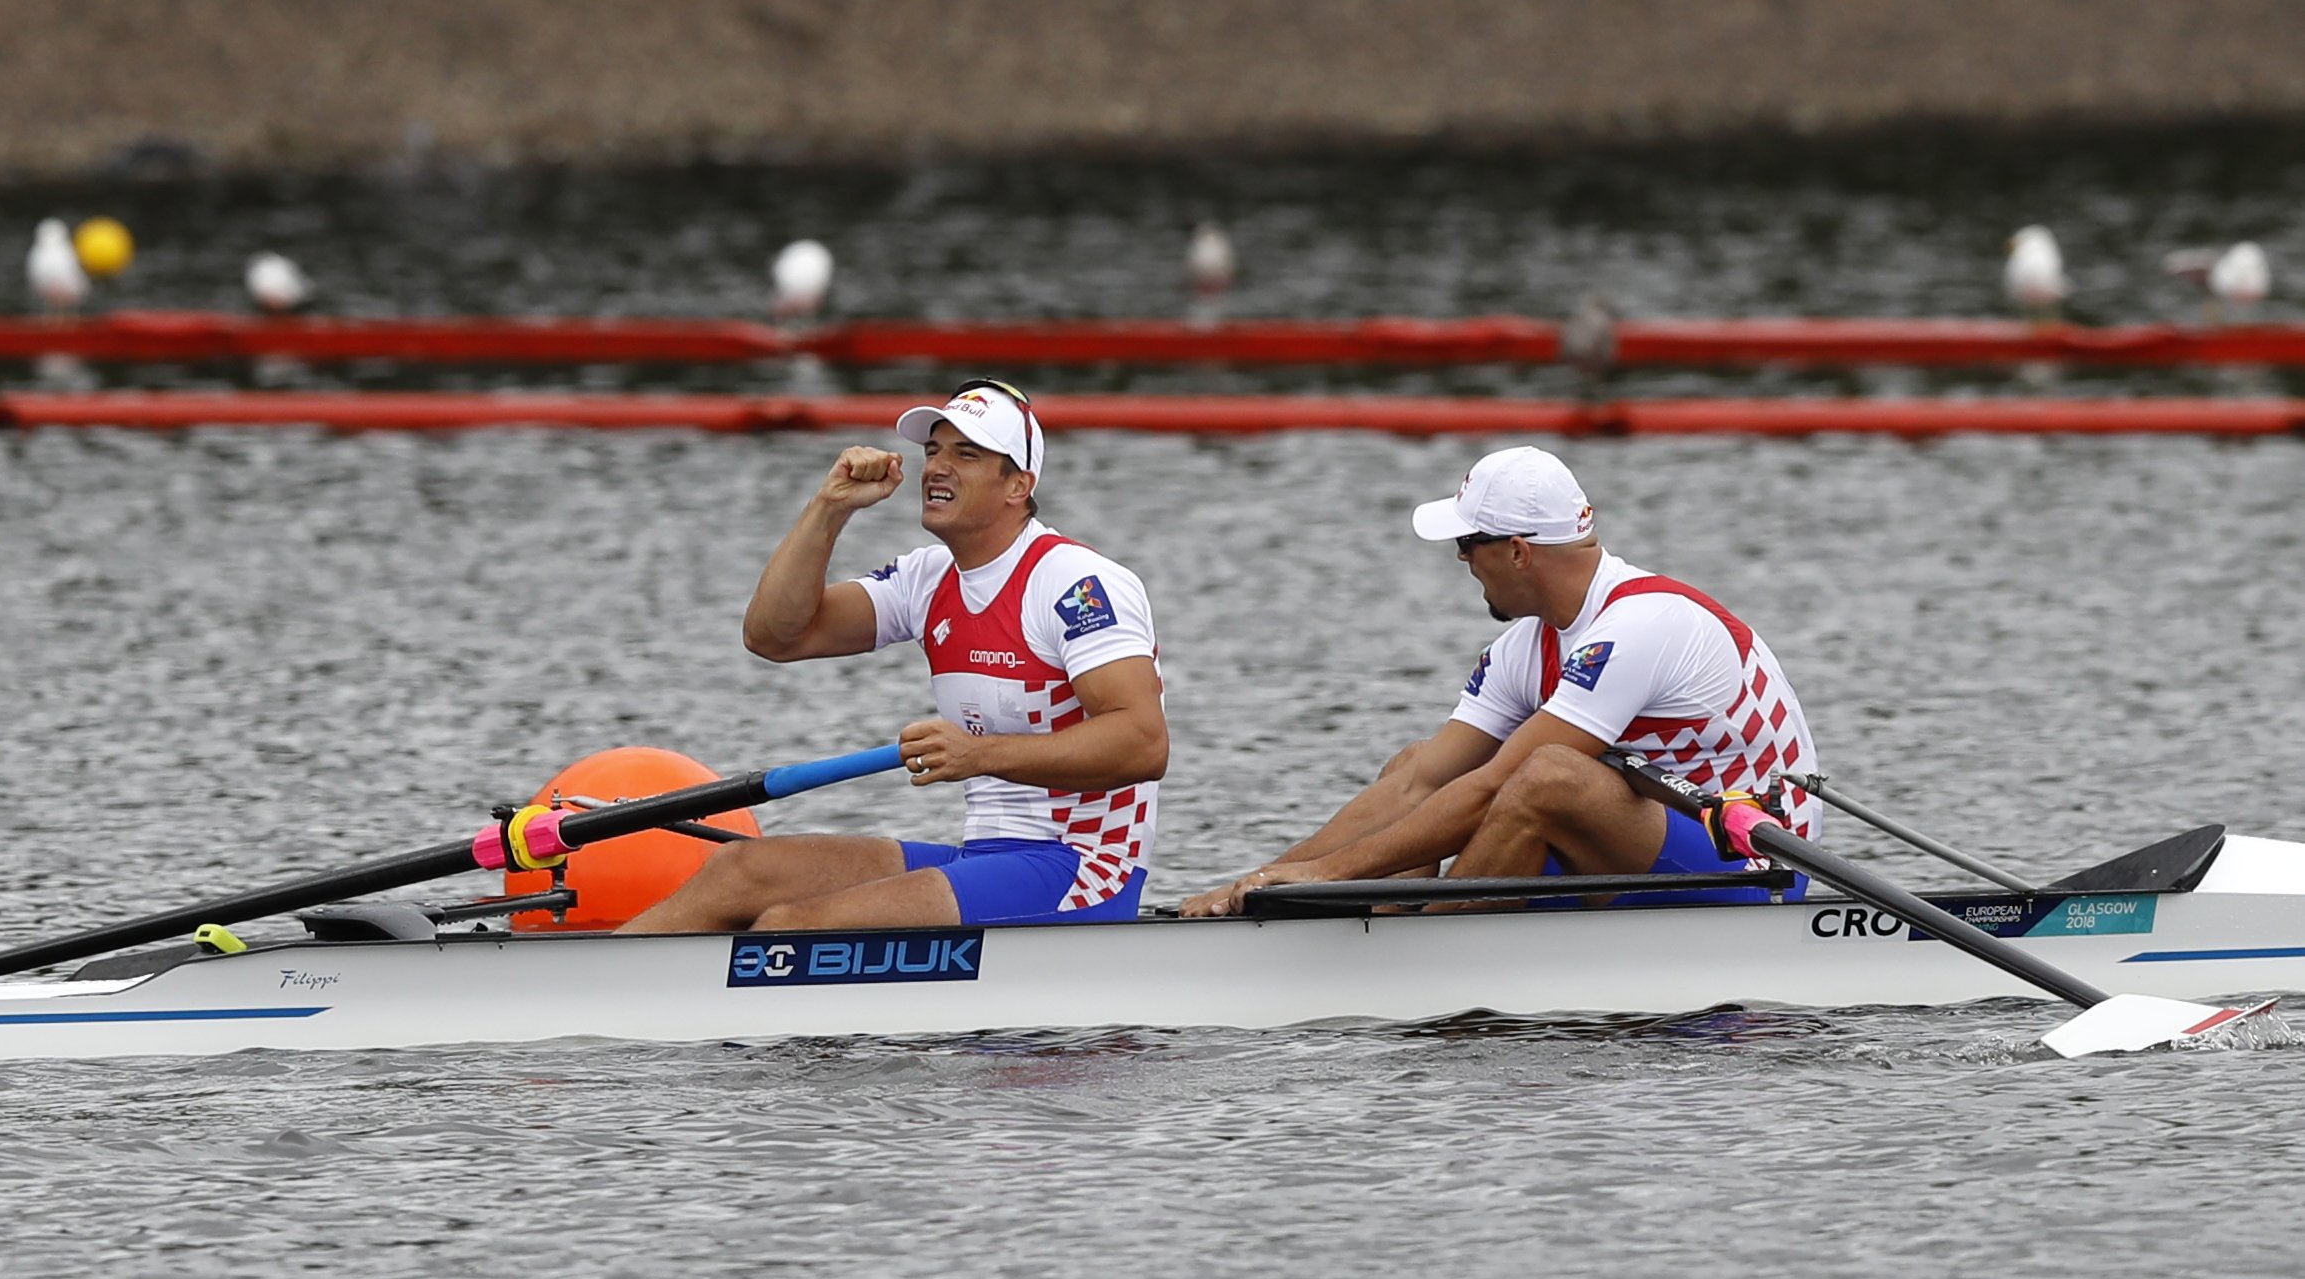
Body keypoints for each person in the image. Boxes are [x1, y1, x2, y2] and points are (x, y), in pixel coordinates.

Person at [1180, 444, 1819, 917]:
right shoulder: (1525, 647)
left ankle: (1420, 964)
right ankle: (1376, 928)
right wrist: (1267, 878)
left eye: (1468, 543)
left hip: (1754, 868)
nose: (1460, 559)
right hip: (1641, 848)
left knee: (1546, 777)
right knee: (1419, 761)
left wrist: (1322, 873)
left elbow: (1498, 787)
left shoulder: (1641, 625)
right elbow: (1419, 782)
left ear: (1517, 550)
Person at [623, 379, 1167, 933]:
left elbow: (1142, 743)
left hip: (1083, 868)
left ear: (1017, 485)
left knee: (794, 925)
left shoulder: (1076, 583)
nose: (937, 467)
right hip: (986, 858)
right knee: (739, 870)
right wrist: (829, 508)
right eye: (933, 450)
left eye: (967, 453)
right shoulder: (927, 578)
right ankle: (581, 993)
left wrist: (981, 754)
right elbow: (776, 636)